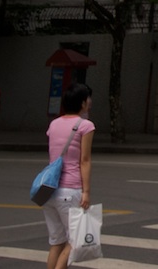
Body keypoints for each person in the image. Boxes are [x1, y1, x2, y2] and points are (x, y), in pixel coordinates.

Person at [44, 84, 95, 269]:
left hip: (49, 190)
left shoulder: (54, 124)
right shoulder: (86, 126)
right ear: (82, 103)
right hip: (70, 190)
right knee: (75, 240)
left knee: (57, 242)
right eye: (88, 98)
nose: (90, 102)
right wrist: (86, 192)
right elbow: (85, 160)